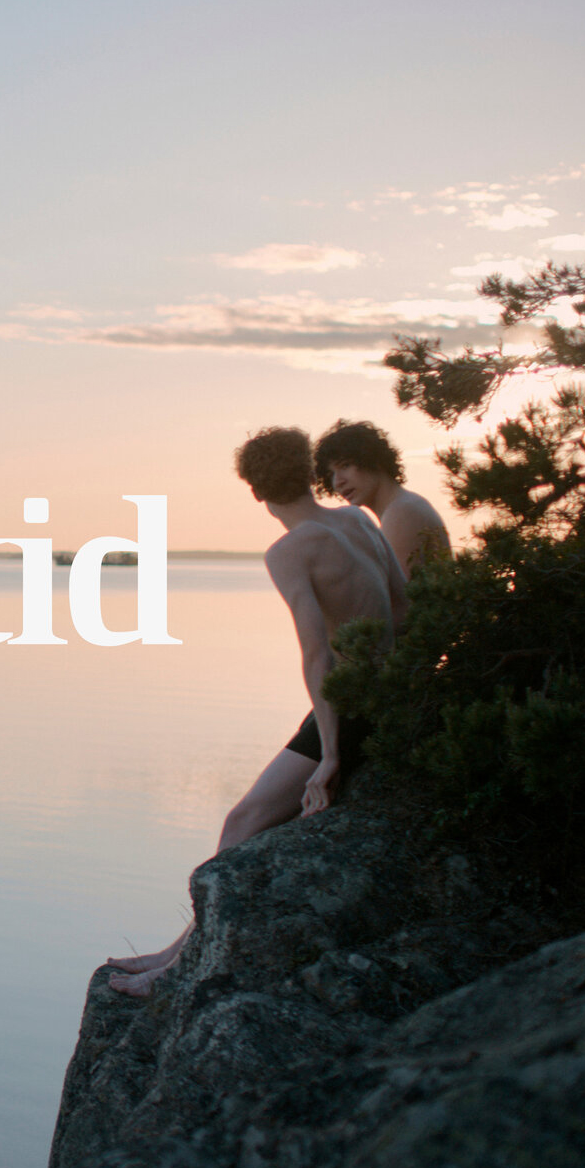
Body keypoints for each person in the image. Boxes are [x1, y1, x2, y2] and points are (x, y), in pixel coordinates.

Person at [106, 427, 408, 996]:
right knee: (246, 824)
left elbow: (316, 651)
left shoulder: (290, 550)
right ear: (310, 472)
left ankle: (179, 969)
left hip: (352, 706)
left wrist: (331, 755)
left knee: (242, 823)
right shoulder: (360, 523)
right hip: (388, 691)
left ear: (254, 490)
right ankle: (180, 948)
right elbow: (401, 607)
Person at [313, 419, 449, 574]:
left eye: (345, 465)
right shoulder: (401, 507)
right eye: (331, 474)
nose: (338, 482)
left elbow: (402, 594)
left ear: (373, 459)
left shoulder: (402, 511)